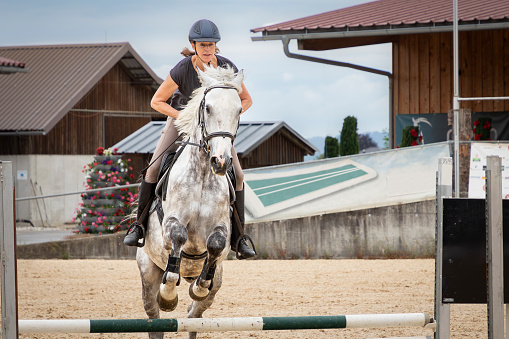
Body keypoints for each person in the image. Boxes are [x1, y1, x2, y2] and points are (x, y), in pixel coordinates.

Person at [124, 19, 256, 259]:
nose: (208, 49)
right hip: (180, 123)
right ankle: (139, 226)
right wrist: (186, 117)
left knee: (239, 175)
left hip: (215, 128)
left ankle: (239, 238)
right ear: (193, 45)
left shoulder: (227, 68)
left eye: (212, 45)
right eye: (203, 44)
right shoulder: (183, 69)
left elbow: (246, 100)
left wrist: (226, 117)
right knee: (153, 170)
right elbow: (156, 101)